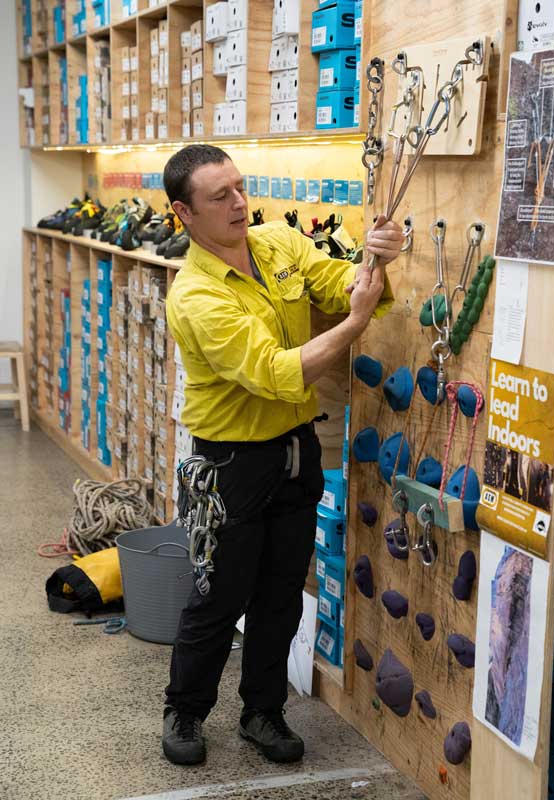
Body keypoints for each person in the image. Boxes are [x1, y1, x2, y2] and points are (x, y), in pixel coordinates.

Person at [162, 144, 404, 766]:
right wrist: (353, 325)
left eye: (239, 189)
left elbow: (337, 282)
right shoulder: (193, 296)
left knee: (279, 593)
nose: (239, 203)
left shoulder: (277, 244)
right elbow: (274, 373)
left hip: (295, 450)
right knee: (219, 595)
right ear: (183, 214)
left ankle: (262, 713)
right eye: (219, 197)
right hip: (230, 464)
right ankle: (185, 711)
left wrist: (373, 262)